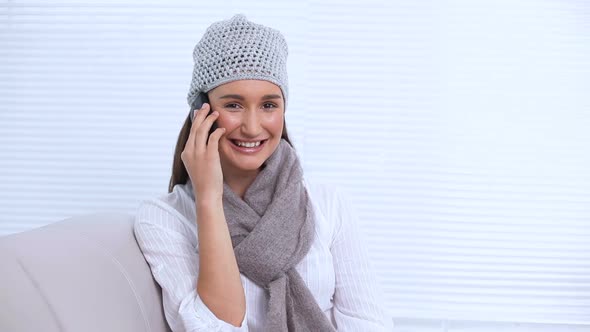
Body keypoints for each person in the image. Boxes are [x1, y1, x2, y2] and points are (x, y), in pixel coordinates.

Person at [134, 14, 392, 331]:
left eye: (269, 105)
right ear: (201, 111)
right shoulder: (165, 219)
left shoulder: (328, 204)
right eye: (233, 105)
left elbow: (369, 323)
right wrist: (209, 200)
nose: (253, 126)